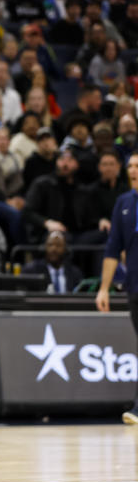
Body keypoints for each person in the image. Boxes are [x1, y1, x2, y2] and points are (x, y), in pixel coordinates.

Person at [96, 154, 138, 424]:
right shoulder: (123, 203)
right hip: (135, 287)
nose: (133, 170)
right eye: (131, 166)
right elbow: (113, 249)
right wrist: (104, 288)